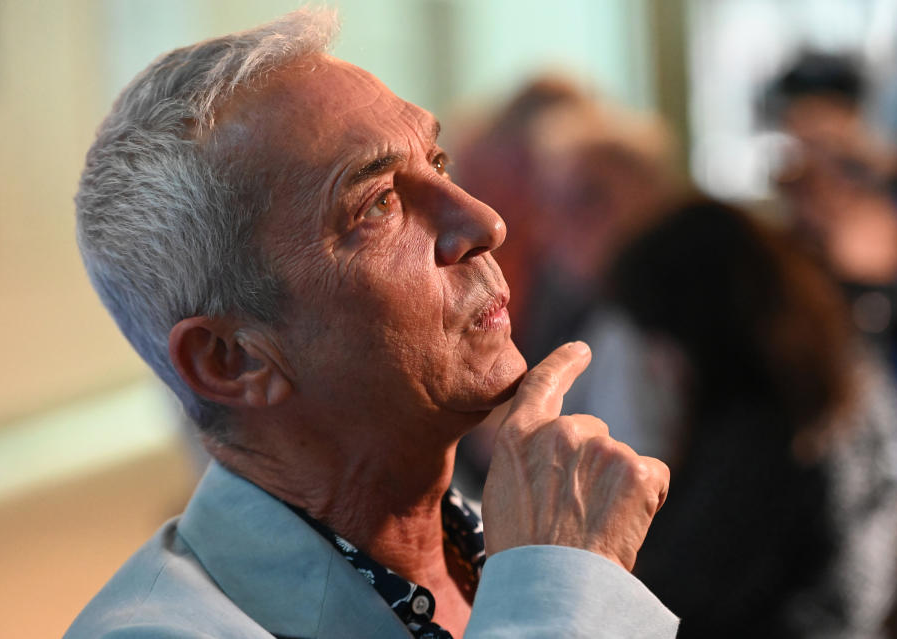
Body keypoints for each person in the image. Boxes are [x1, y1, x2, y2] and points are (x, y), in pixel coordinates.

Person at [64, 8, 677, 639]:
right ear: (232, 359)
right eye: (379, 203)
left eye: (437, 164)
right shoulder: (156, 632)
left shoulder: (520, 536)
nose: (485, 223)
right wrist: (565, 588)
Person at [610, 201, 897, 638]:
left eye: (661, 337)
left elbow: (676, 593)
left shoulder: (765, 428)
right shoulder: (840, 376)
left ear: (699, 324)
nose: (658, 365)